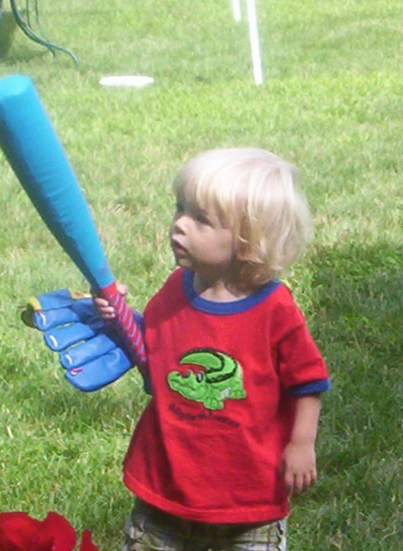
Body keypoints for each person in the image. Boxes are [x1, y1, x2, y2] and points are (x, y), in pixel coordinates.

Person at [95, 148, 331, 551]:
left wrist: (301, 444)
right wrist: (120, 319)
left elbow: (307, 381)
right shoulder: (175, 290)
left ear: (247, 241)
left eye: (200, 219)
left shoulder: (274, 310)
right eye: (180, 209)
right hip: (166, 486)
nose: (179, 226)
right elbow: (156, 354)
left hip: (248, 499)